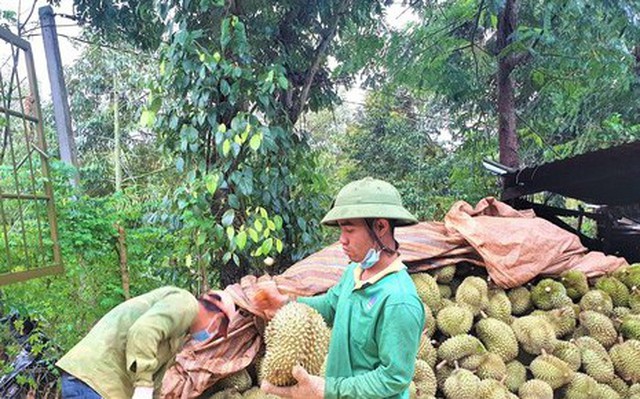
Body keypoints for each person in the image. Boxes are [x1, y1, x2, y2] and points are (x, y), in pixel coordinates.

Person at [255, 177, 425, 399]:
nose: (342, 240)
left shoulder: (399, 300)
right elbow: (331, 305)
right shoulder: (354, 272)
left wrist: (326, 390)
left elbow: (393, 378)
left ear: (381, 227)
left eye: (350, 230)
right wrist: (285, 304)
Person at [56, 286, 236, 399]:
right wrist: (143, 386)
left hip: (96, 384)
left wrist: (149, 391)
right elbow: (143, 331)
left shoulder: (177, 334)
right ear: (217, 318)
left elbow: (155, 380)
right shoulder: (185, 302)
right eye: (217, 330)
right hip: (93, 380)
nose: (212, 335)